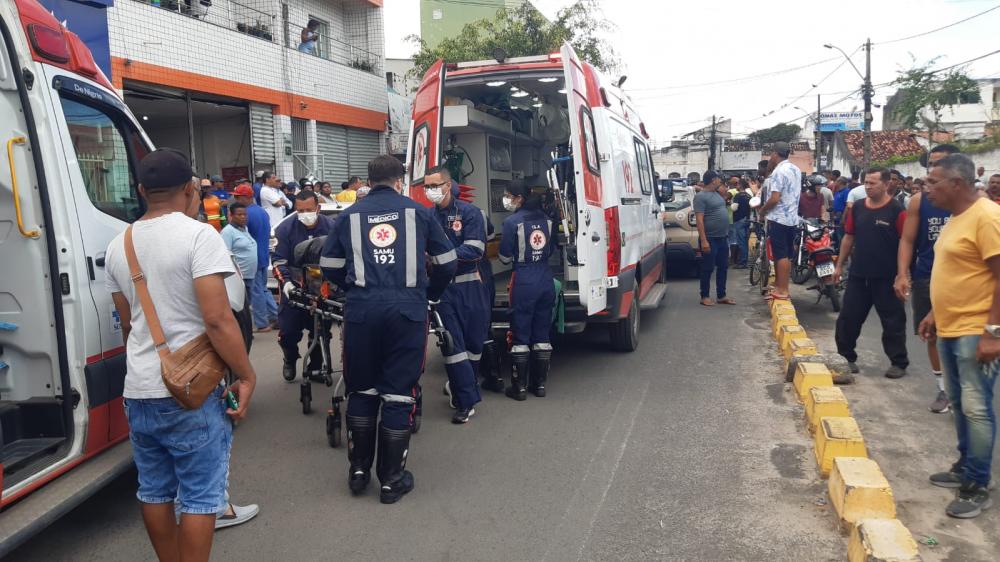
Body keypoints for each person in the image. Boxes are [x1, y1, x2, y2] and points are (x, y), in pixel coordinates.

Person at [104, 148, 256, 560]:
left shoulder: (118, 245)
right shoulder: (199, 235)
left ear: (141, 190)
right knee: (201, 496)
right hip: (191, 389)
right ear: (190, 188)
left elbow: (128, 323)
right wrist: (246, 375)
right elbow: (218, 319)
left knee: (154, 490)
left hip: (139, 387)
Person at [321, 155, 456, 504]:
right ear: (400, 182)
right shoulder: (420, 213)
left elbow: (329, 265)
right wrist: (431, 294)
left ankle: (358, 472)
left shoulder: (349, 216)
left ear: (369, 182)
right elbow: (447, 262)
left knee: (361, 389)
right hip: (408, 311)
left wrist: (352, 289)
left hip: (362, 312)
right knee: (398, 392)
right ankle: (391, 481)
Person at [918, 153, 1000, 519]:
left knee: (976, 407)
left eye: (932, 182)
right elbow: (957, 271)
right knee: (960, 402)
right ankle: (966, 466)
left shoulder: (988, 218)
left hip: (975, 329)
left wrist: (993, 333)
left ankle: (977, 484)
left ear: (956, 184)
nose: (927, 188)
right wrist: (935, 313)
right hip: (951, 326)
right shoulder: (956, 218)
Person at [894, 145, 960, 412]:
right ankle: (944, 389)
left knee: (964, 336)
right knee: (932, 334)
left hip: (963, 283)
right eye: (930, 164)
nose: (932, 169)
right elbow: (908, 239)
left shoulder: (975, 203)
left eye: (939, 163)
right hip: (927, 278)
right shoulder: (920, 201)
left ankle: (964, 388)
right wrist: (902, 273)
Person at [424, 166, 488, 421]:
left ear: (448, 185)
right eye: (427, 186)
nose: (430, 190)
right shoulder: (426, 217)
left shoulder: (470, 213)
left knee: (474, 344)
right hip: (443, 290)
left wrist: (438, 257)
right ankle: (465, 401)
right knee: (453, 347)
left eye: (435, 185)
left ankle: (462, 385)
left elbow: (475, 249)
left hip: (471, 286)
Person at [833, 167, 909, 379]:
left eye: (873, 183)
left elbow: (906, 242)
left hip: (887, 277)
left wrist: (903, 274)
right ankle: (846, 357)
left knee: (893, 322)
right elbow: (849, 237)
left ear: (886, 184)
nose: (868, 187)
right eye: (866, 182)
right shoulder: (858, 207)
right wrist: (839, 265)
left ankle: (898, 362)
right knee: (848, 318)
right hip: (859, 275)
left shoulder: (896, 210)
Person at [498, 182, 556, 400]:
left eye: (507, 195)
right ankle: (539, 386)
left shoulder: (511, 222)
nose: (505, 199)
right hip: (545, 278)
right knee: (542, 333)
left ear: (519, 198)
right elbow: (550, 250)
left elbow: (504, 258)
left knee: (520, 333)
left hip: (523, 281)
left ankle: (519, 388)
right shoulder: (548, 220)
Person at [273, 191, 335, 382]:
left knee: (321, 331)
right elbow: (278, 261)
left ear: (318, 208)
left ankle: (315, 366)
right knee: (288, 332)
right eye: (300, 211)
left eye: (309, 210)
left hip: (322, 286)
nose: (305, 214)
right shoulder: (285, 229)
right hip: (294, 286)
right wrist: (286, 283)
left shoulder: (332, 227)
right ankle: (290, 359)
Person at [759, 142, 802, 301]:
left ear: (775, 154)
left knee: (780, 254)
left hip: (779, 218)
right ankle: (779, 285)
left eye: (771, 154)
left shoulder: (778, 171)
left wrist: (763, 210)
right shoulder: (796, 169)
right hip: (792, 218)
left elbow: (775, 198)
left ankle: (783, 290)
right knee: (786, 254)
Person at [232, 183, 277, 332]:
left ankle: (262, 323)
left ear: (246, 197)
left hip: (253, 258)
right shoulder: (262, 211)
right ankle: (276, 316)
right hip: (263, 255)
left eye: (238, 197)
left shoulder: (247, 214)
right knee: (263, 289)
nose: (236, 200)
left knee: (256, 291)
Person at [693, 171, 734, 306]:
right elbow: (699, 220)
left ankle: (721, 295)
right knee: (708, 268)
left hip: (722, 237)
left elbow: (726, 192)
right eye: (718, 179)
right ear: (712, 180)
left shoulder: (717, 194)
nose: (720, 181)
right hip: (710, 238)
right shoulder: (700, 197)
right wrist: (703, 240)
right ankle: (704, 296)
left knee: (723, 267)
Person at [220, 203, 257, 297]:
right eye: (239, 215)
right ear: (231, 215)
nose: (243, 217)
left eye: (245, 214)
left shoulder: (245, 229)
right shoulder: (227, 232)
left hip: (249, 276)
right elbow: (225, 255)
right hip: (239, 278)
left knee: (249, 302)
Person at [730, 178, 752, 268]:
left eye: (737, 184)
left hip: (739, 220)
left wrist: (731, 203)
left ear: (740, 185)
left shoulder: (738, 196)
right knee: (745, 241)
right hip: (747, 219)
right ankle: (745, 261)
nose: (736, 186)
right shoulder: (748, 195)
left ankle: (742, 262)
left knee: (741, 242)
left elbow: (734, 208)